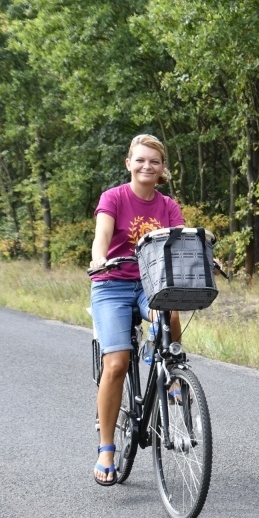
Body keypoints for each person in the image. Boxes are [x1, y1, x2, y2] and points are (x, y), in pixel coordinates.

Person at [89, 134, 185, 486]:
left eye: (154, 161)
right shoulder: (113, 197)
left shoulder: (168, 206)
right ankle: (107, 448)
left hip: (150, 286)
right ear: (129, 163)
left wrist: (204, 257)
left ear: (162, 169)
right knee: (115, 363)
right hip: (111, 284)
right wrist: (100, 259)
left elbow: (181, 242)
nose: (147, 166)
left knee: (171, 312)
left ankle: (172, 371)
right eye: (141, 160)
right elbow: (102, 236)